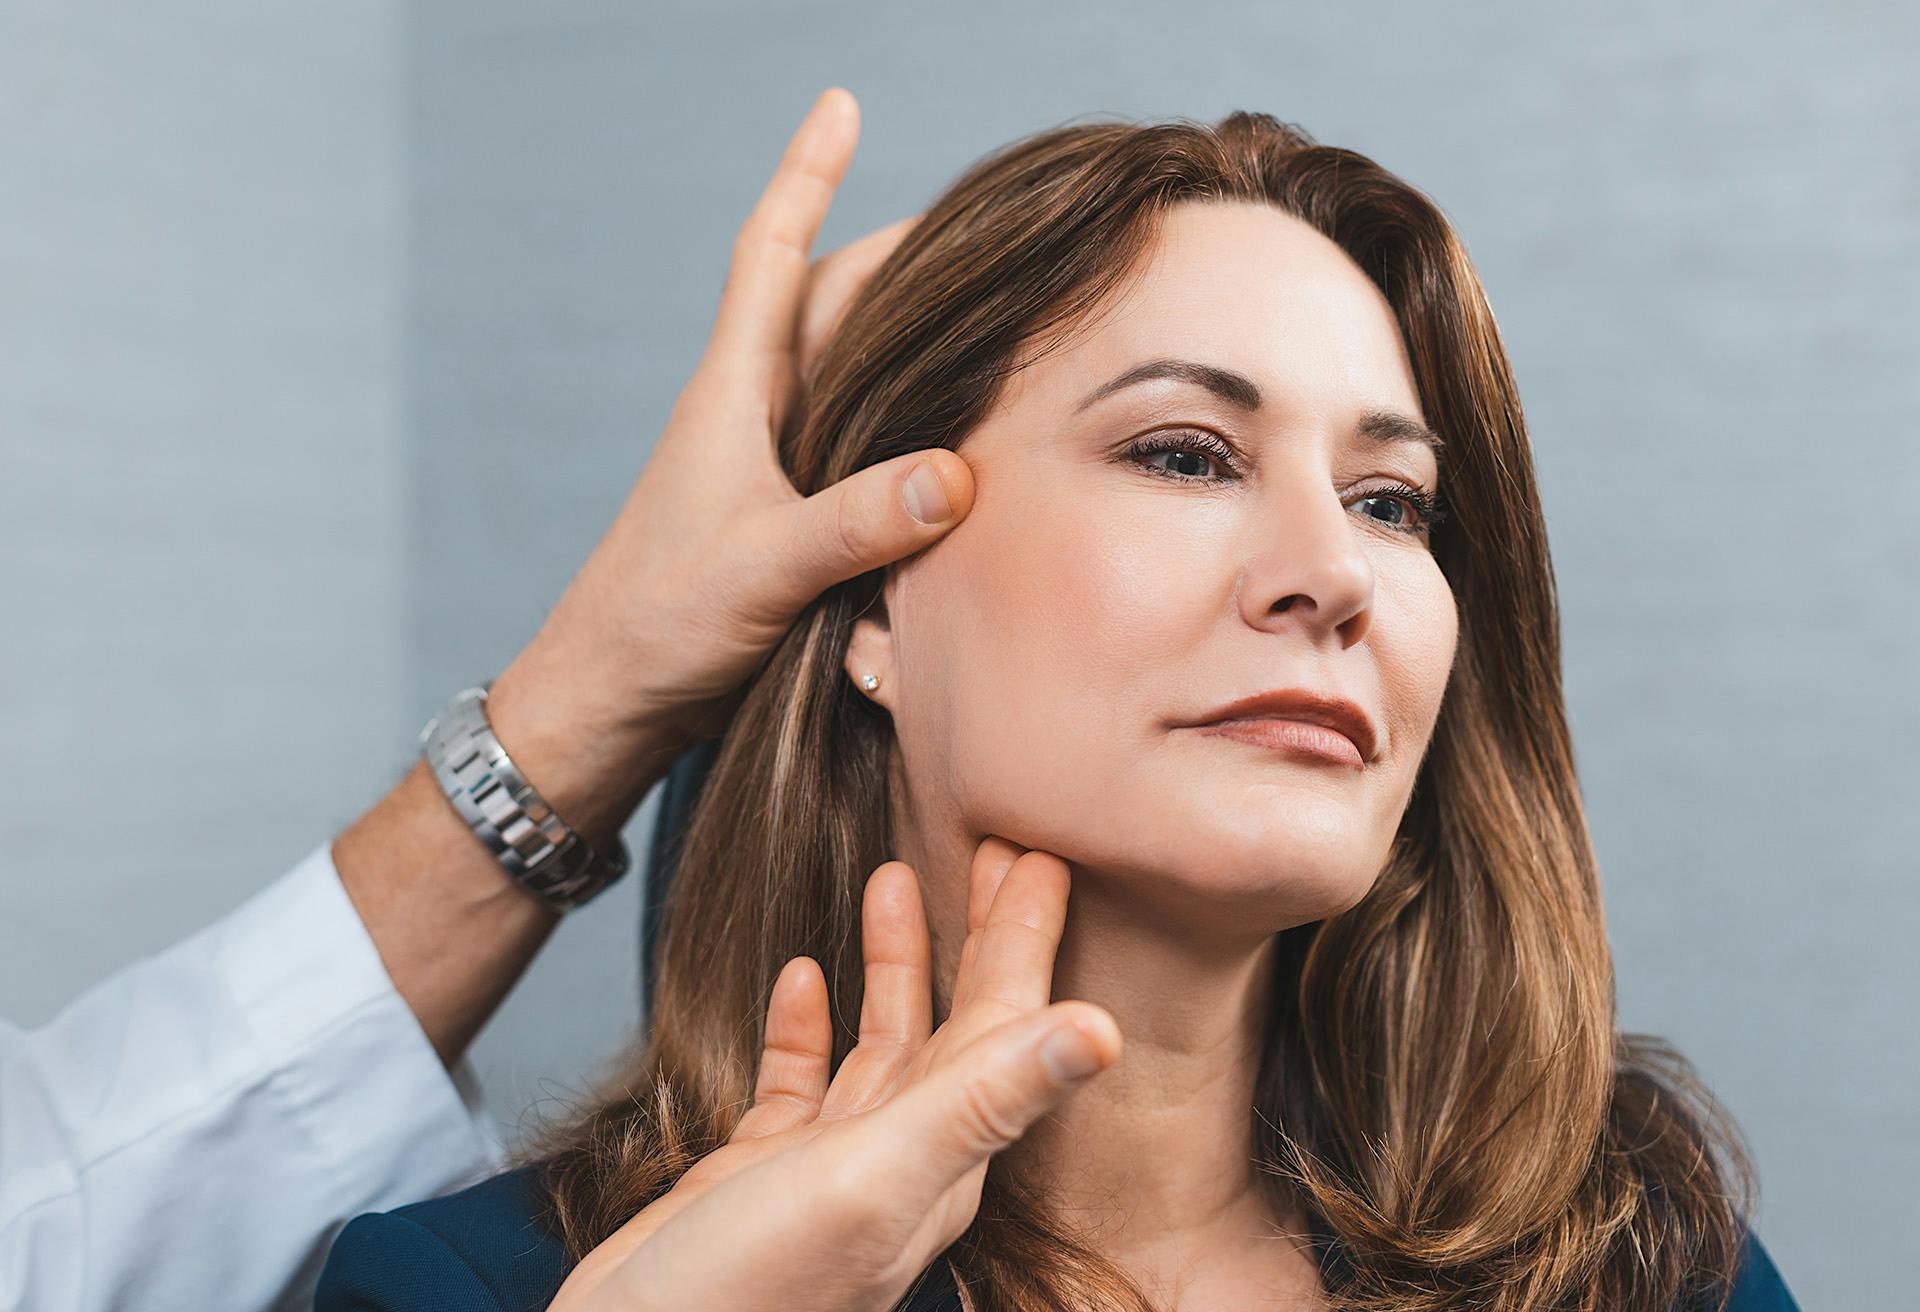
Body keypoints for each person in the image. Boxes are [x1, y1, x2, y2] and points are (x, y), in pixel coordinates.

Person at [316, 109, 1802, 1312]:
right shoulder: (479, 1292)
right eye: (1183, 454)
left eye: (1391, 500)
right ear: (876, 593)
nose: (1332, 573)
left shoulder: (1653, 1264)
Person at [0, 87, 978, 1312]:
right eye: (1182, 454)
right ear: (877, 603)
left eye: (1312, 473)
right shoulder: (453, 1282)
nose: (1305, 571)